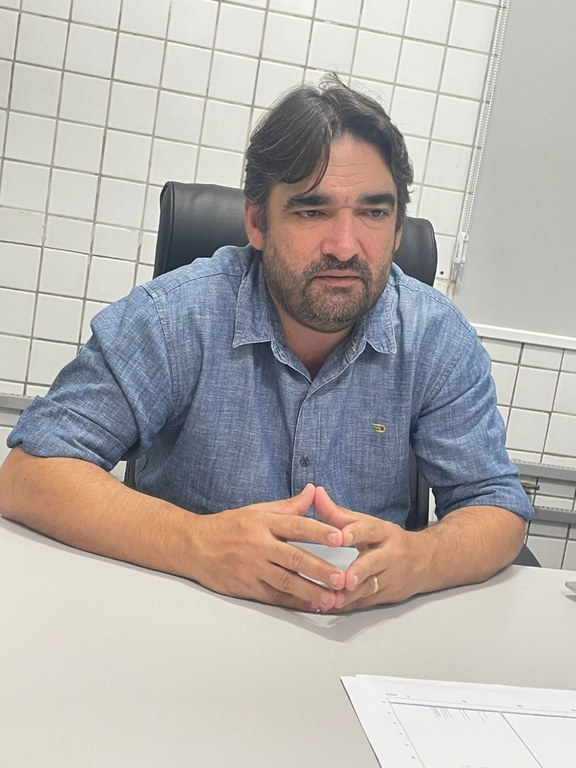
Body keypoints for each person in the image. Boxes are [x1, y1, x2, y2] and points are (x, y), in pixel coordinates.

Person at [0, 75, 533, 613]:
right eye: (312, 211)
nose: (345, 246)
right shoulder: (174, 318)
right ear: (257, 222)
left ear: (398, 230)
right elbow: (28, 475)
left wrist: (420, 559)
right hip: (192, 614)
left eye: (374, 212)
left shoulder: (437, 337)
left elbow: (497, 507)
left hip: (360, 632)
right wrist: (197, 542)